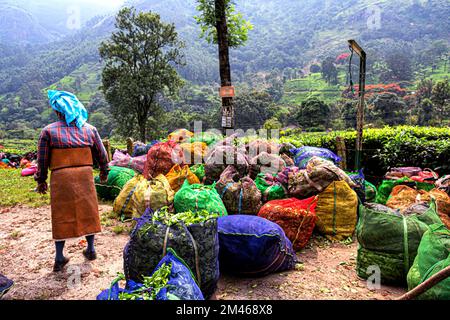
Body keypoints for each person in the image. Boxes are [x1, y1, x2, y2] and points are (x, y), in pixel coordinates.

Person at [35, 90, 109, 272]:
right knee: (89, 211)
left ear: (57, 111)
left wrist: (41, 180)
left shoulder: (48, 131)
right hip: (84, 175)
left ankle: (60, 257)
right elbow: (102, 154)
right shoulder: (90, 129)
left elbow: (42, 160)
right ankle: (91, 249)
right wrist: (104, 171)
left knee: (61, 214)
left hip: (62, 178)